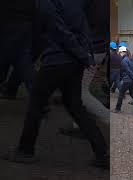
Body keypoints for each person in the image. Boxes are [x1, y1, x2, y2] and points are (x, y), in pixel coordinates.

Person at [2, 0, 108, 169]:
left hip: (57, 60)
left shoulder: (46, 3)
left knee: (36, 104)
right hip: (74, 60)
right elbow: (83, 25)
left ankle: (25, 150)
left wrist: (82, 54)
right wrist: (84, 54)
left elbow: (57, 30)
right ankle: (102, 153)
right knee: (75, 106)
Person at [113, 46, 133, 115]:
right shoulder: (131, 59)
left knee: (121, 94)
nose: (119, 54)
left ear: (122, 52)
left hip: (127, 80)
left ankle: (117, 109)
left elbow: (129, 71)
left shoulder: (124, 61)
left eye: (120, 53)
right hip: (132, 80)